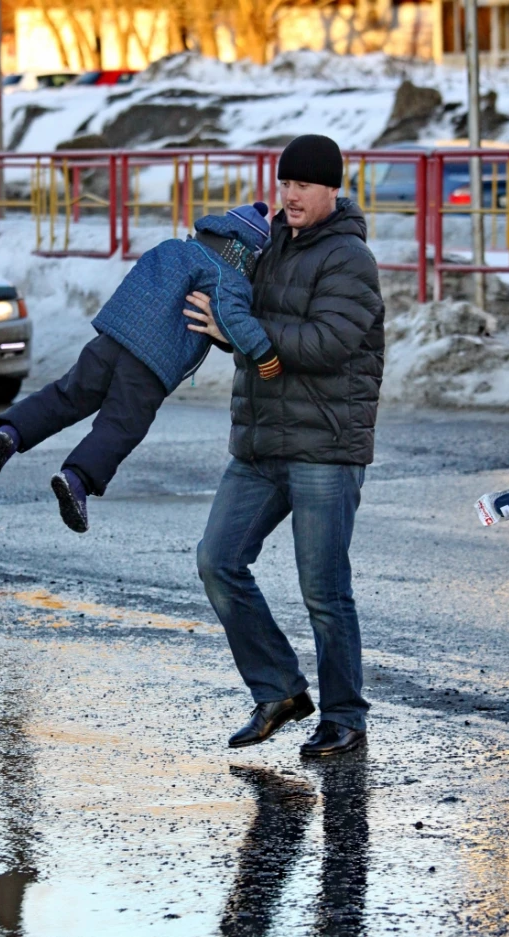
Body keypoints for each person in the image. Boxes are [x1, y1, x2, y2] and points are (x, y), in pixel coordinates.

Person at [189, 135, 385, 757]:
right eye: (285, 183)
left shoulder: (350, 259)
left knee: (324, 591)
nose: (291, 195)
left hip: (325, 445)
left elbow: (327, 343)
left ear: (332, 189)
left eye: (304, 185)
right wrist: (217, 323)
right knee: (217, 561)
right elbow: (249, 326)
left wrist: (244, 331)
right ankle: (278, 690)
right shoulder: (268, 243)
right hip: (260, 443)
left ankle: (345, 716)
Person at [0, 203, 281, 533]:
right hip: (152, 361)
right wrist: (265, 355)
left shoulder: (174, 247)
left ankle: (10, 433)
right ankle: (77, 479)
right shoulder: (228, 274)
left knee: (69, 394)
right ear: (248, 253)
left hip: (112, 339)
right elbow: (232, 319)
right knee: (122, 424)